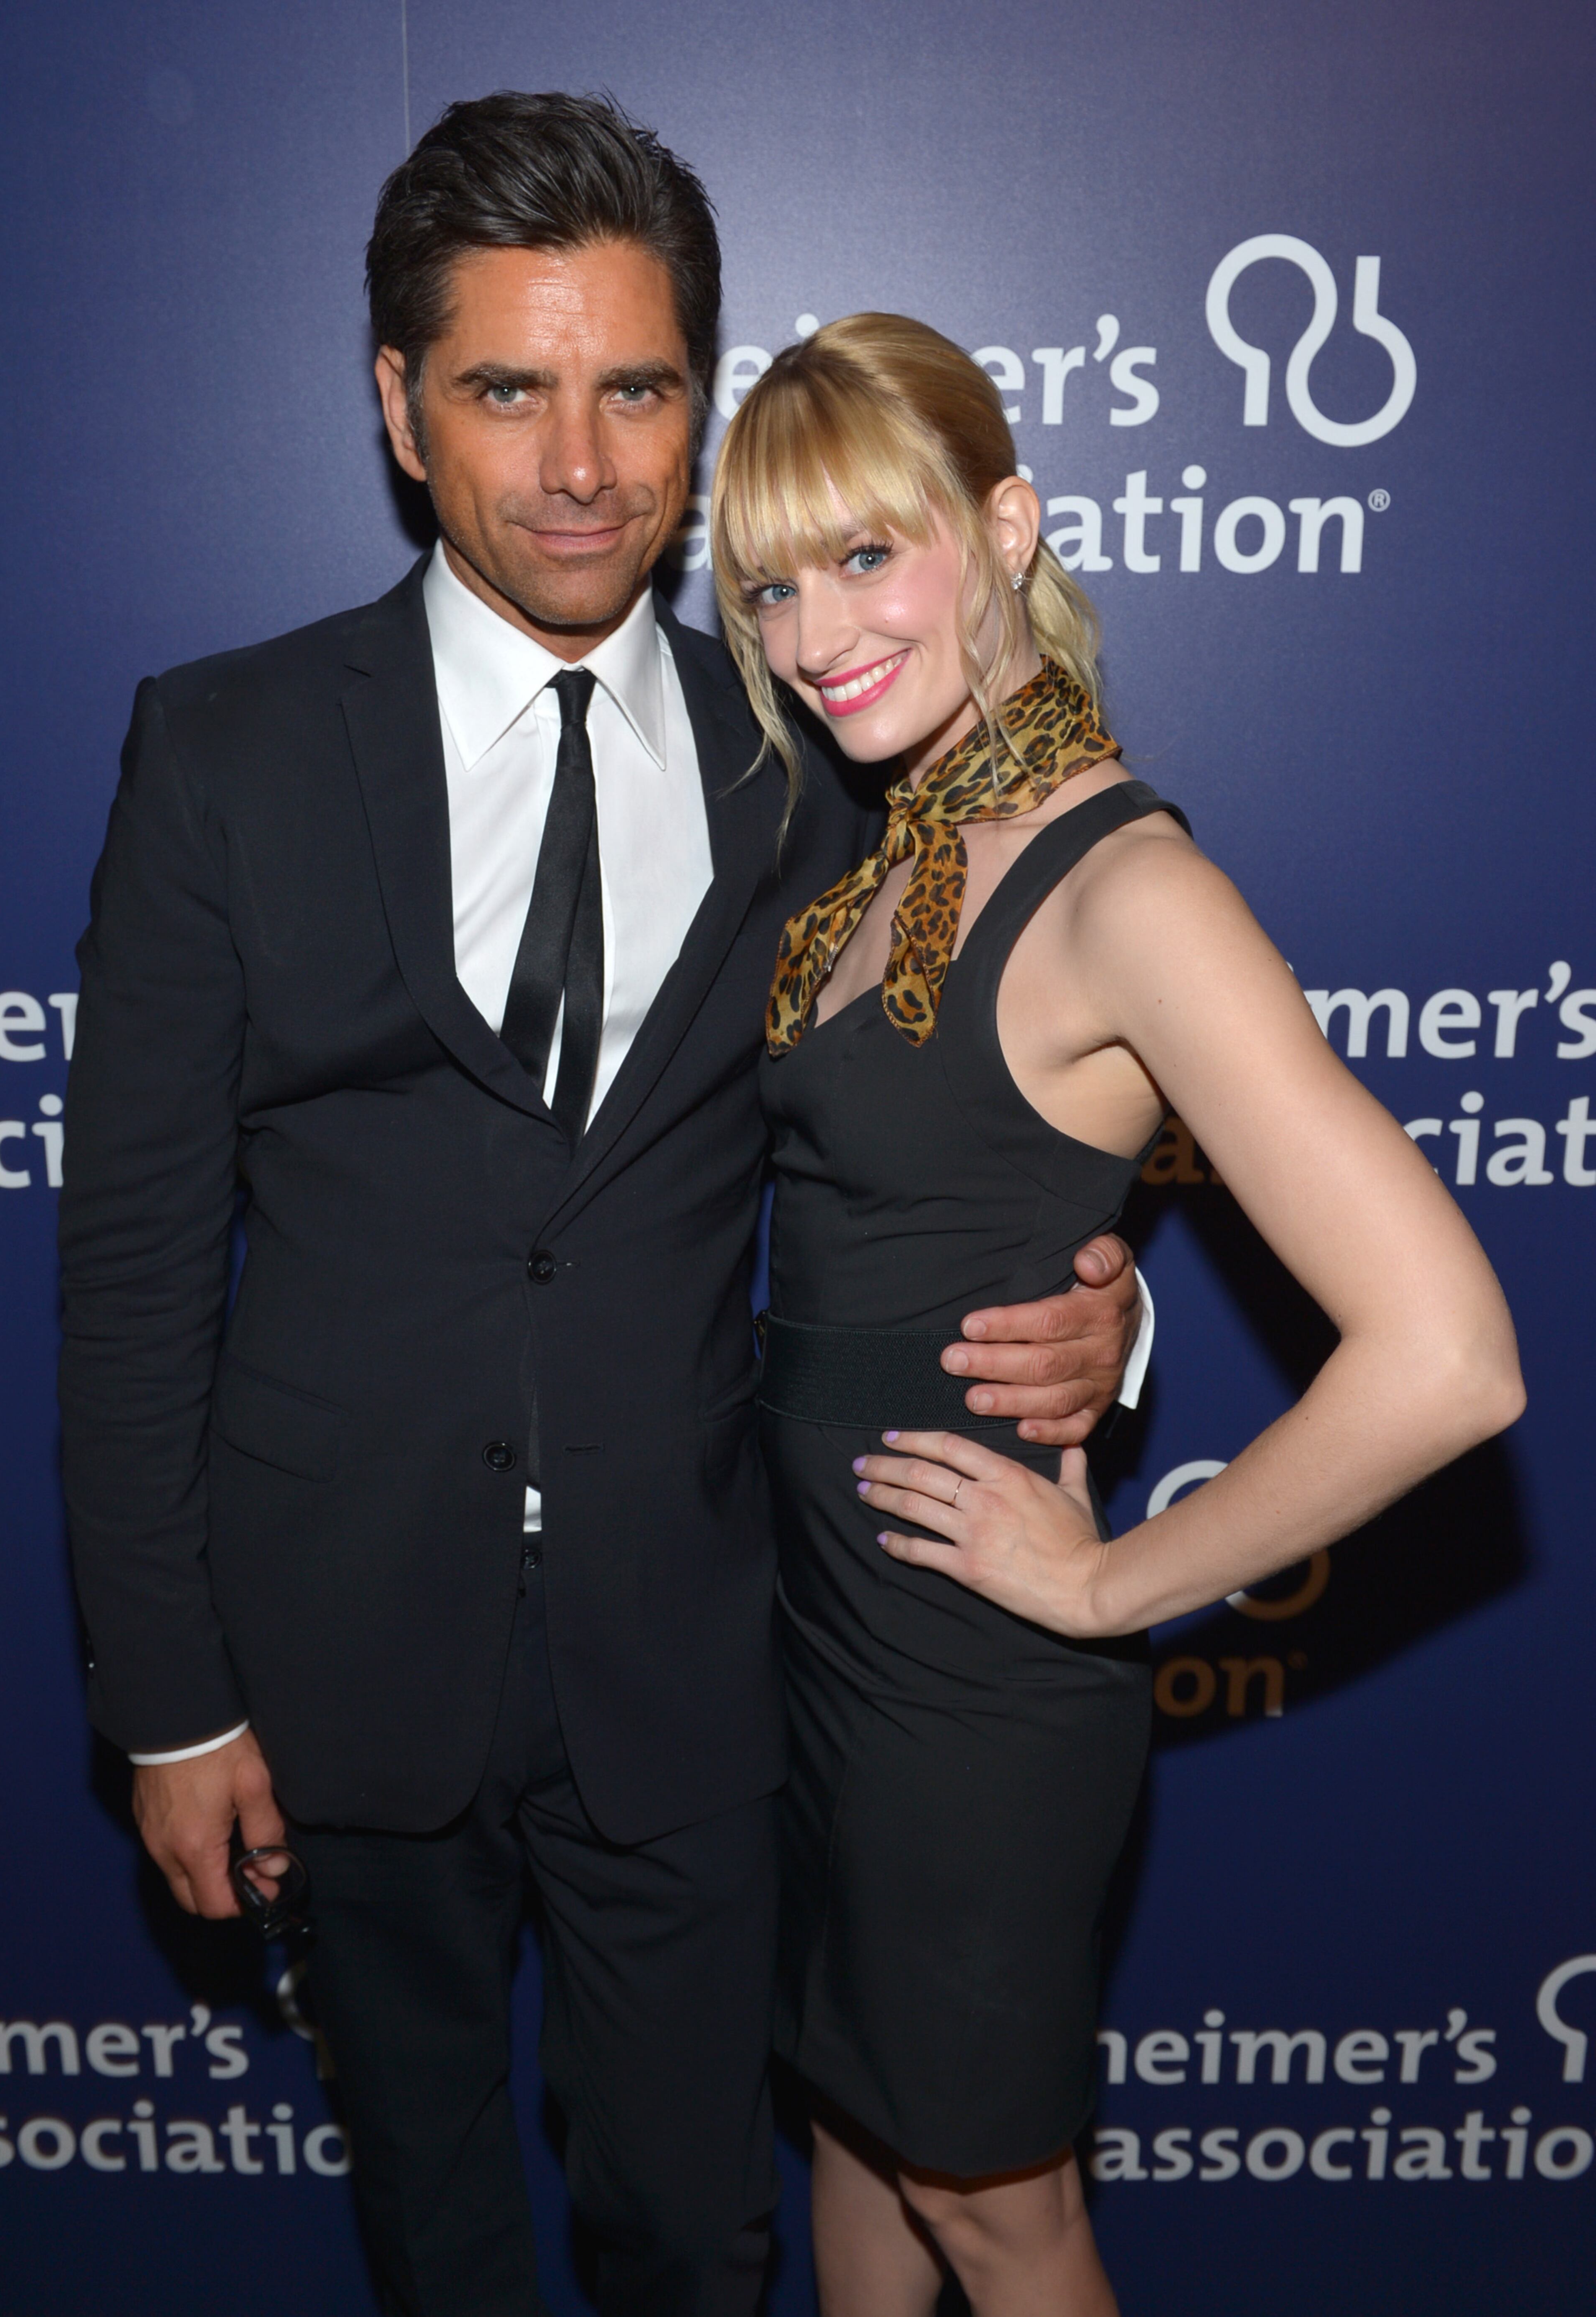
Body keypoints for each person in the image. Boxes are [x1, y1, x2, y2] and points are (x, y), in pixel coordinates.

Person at [57, 100, 1144, 2317]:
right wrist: (166, 1702)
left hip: (697, 1646)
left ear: (699, 405)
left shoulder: (822, 757)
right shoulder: (226, 747)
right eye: (505, 388)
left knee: (699, 2228)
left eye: (637, 388)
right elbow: (135, 1265)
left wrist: (1103, 1321)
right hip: (336, 1645)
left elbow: (966, 1125)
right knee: (435, 2230)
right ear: (397, 404)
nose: (579, 464)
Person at [709, 312, 1525, 2317]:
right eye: (772, 587)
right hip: (824, 1634)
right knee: (857, 2135)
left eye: (868, 558)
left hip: (969, 1692)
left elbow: (1450, 1356)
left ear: (1006, 529)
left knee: (1003, 2208)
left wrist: (1111, 1587)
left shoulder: (1126, 889)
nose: (818, 638)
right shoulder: (883, 840)